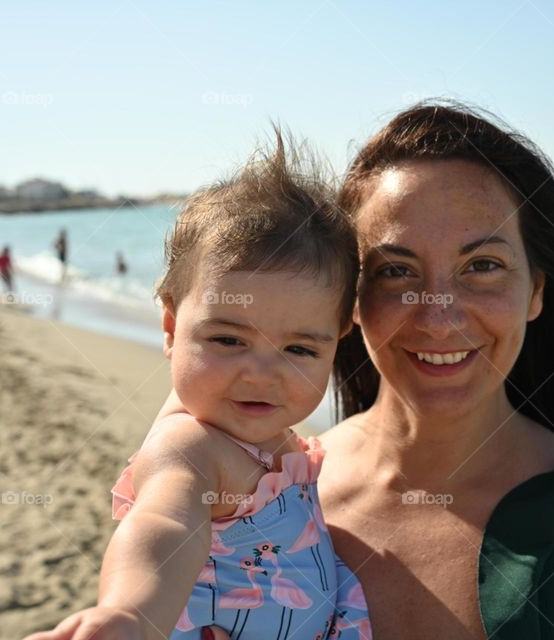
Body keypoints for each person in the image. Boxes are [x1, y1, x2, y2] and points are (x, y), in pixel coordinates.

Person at [191, 102, 554, 639]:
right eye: (396, 271)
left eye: (482, 266)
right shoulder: (256, 497)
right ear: (348, 302)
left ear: (535, 290)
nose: (439, 318)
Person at [24, 132, 371, 640]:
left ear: (336, 342)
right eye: (228, 339)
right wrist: (132, 614)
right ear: (170, 328)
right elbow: (163, 526)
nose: (261, 373)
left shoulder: (267, 436)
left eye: (299, 350)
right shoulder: (189, 447)